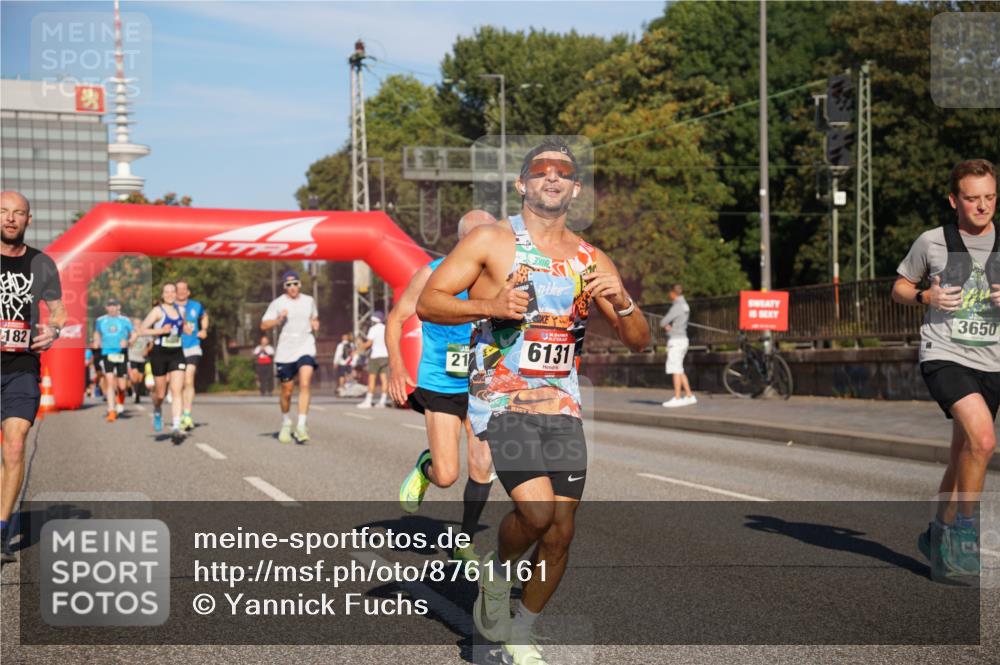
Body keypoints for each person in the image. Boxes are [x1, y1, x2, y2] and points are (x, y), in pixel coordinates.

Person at [416, 139, 650, 663]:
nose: (552, 177)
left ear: (575, 189)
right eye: (541, 170)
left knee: (560, 532)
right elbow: (430, 302)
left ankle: (522, 627)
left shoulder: (591, 259)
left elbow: (639, 340)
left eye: (563, 172)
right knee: (537, 510)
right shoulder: (492, 241)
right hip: (503, 397)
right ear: (522, 184)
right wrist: (491, 304)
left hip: (561, 402)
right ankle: (499, 575)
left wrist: (624, 299)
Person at [893, 158, 998, 581]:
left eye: (989, 197)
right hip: (946, 354)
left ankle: (937, 533)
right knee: (984, 440)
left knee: (963, 452)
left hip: (992, 360)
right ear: (954, 199)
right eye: (972, 199)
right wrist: (925, 298)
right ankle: (965, 532)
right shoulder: (933, 241)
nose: (982, 206)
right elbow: (899, 287)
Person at [389, 210, 497, 566]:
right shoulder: (432, 273)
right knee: (447, 475)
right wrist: (396, 366)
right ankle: (426, 467)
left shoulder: (503, 276)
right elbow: (396, 318)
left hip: (484, 382)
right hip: (441, 382)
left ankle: (463, 542)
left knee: (482, 465)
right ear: (465, 241)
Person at [1, 191, 66, 562]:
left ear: (29, 219)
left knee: (14, 443)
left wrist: (54, 330)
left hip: (22, 366)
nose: (10, 219)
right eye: (4, 213)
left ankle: (1, 530)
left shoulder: (41, 264)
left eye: (18, 213)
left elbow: (59, 311)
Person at [261, 270, 319, 443]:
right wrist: (278, 320)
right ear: (284, 287)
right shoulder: (278, 303)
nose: (292, 287)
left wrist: (315, 323)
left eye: (295, 284)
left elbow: (314, 317)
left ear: (300, 285)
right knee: (286, 391)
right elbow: (264, 324)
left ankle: (301, 424)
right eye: (289, 285)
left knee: (305, 383)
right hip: (286, 350)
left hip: (305, 346)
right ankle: (286, 421)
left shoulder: (309, 300)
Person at [137, 283, 188, 444]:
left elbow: (183, 326)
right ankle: (157, 409)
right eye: (167, 292)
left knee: (177, 390)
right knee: (161, 394)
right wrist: (160, 331)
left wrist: (187, 328)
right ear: (162, 294)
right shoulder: (158, 311)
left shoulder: (181, 310)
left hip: (177, 353)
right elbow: (141, 330)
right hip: (160, 353)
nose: (170, 294)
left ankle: (176, 427)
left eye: (173, 291)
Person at [93, 298, 135, 421]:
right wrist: (97, 341)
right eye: (109, 306)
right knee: (110, 381)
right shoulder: (100, 320)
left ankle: (120, 400)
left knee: (122, 386)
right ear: (106, 307)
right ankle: (111, 410)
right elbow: (97, 333)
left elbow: (134, 334)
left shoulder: (125, 320)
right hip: (107, 353)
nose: (112, 308)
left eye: (114, 306)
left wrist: (128, 341)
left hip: (121, 353)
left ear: (119, 307)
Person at [175, 281, 208, 431]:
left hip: (192, 346)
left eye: (184, 289)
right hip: (175, 348)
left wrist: (204, 329)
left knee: (189, 379)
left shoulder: (196, 305)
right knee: (179, 383)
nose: (181, 291)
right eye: (178, 289)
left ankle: (187, 414)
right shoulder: (170, 307)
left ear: (188, 292)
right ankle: (179, 412)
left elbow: (204, 316)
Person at [660, 283, 696, 407]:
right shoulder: (685, 304)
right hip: (683, 339)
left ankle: (677, 397)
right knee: (679, 369)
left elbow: (663, 321)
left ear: (673, 293)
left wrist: (668, 328)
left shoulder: (677, 306)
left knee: (674, 369)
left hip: (676, 340)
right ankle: (689, 395)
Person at [356, 311, 389, 408]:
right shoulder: (386, 328)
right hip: (385, 356)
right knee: (384, 379)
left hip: (375, 356)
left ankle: (368, 401)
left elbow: (368, 344)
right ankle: (382, 401)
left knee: (372, 379)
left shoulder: (373, 329)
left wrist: (359, 346)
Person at [127, 319, 151, 404]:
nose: (137, 325)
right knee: (135, 377)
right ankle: (134, 392)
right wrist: (135, 335)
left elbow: (151, 342)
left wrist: (147, 350)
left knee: (140, 378)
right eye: (136, 324)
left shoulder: (145, 333)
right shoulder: (130, 333)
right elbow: (128, 344)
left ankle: (137, 394)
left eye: (139, 323)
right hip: (133, 357)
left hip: (142, 358)